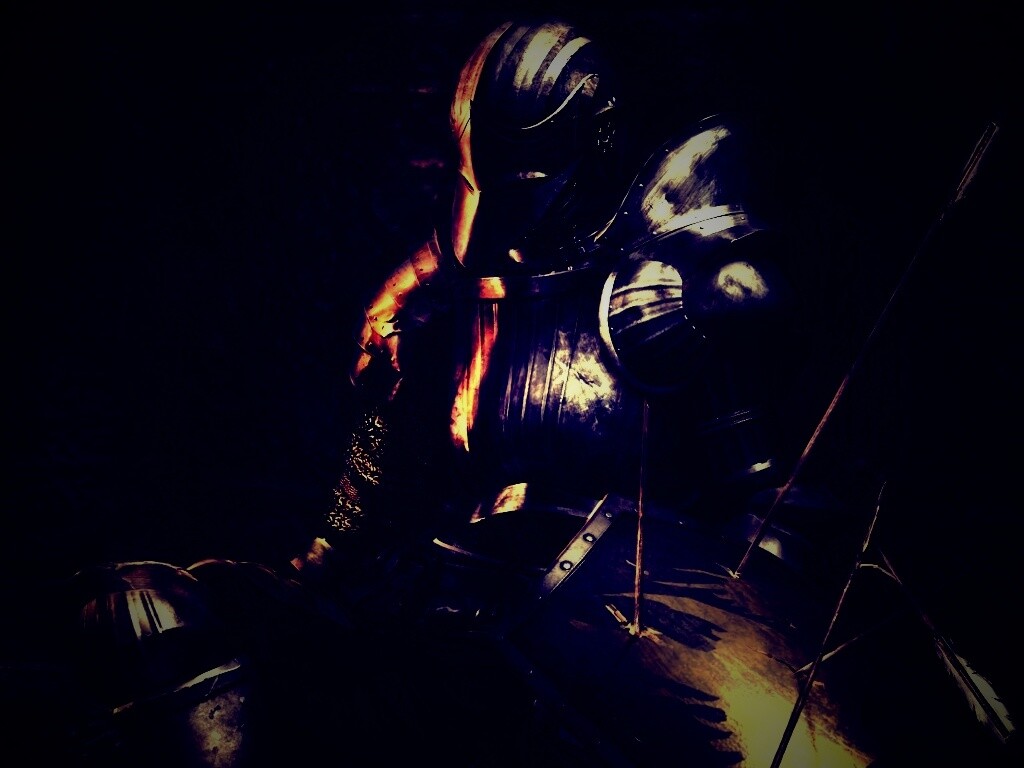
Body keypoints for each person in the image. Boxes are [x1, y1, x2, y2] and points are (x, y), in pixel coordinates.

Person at [42, 15, 1015, 768]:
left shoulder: (657, 289)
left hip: (624, 635)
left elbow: (764, 496)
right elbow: (363, 492)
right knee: (142, 615)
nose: (501, 206)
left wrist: (752, 617)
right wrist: (306, 573)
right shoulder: (435, 298)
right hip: (451, 617)